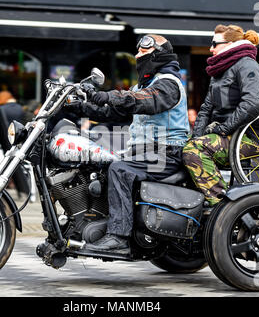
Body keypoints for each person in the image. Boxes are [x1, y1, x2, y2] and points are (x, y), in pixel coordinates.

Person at [67, 35, 189, 251]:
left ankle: (118, 236)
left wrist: (102, 95)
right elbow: (113, 112)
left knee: (119, 170)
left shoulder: (169, 84)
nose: (137, 56)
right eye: (138, 52)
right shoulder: (142, 86)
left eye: (143, 52)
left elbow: (144, 100)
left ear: (158, 55)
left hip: (166, 152)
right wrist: (79, 107)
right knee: (99, 165)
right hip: (144, 152)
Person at [182, 24, 259, 207]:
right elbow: (205, 109)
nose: (211, 48)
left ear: (231, 44)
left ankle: (222, 206)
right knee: (183, 146)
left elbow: (253, 104)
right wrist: (196, 136)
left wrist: (223, 128)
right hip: (226, 136)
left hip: (250, 139)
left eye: (214, 43)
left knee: (194, 150)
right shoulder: (219, 72)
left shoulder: (247, 65)